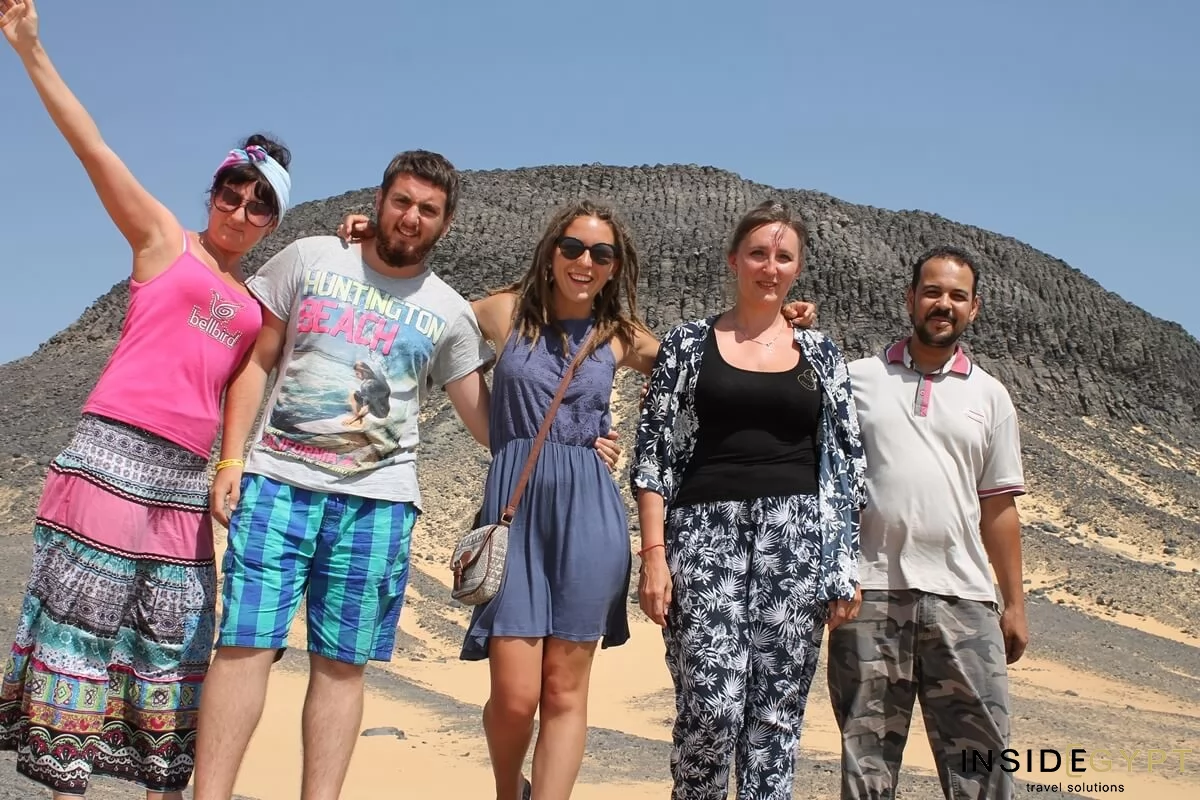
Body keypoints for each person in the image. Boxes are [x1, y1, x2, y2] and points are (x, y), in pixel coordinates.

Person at [337, 202, 818, 800]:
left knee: (565, 692)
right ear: (551, 252)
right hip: (516, 511)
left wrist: (775, 318)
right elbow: (424, 309)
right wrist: (375, 248)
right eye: (573, 247)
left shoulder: (619, 334)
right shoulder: (503, 312)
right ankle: (509, 788)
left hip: (590, 514)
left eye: (601, 253)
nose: (585, 261)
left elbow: (711, 362)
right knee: (515, 697)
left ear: (615, 267)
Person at [0, 2, 292, 798]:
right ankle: (61, 784)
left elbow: (253, 381)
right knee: (82, 634)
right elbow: (92, 147)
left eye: (258, 203)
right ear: (213, 192)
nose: (239, 210)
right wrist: (30, 50)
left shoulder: (256, 303)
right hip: (110, 455)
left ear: (272, 221)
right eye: (230, 192)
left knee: (173, 642)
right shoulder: (164, 240)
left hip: (184, 483)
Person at [631, 199, 867, 800]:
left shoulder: (821, 354)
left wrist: (844, 564)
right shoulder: (687, 344)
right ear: (734, 260)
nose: (770, 266)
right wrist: (653, 556)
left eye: (783, 257)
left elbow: (846, 462)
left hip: (797, 541)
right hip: (703, 538)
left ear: (797, 268)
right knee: (710, 707)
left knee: (775, 720)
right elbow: (653, 455)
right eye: (758, 253)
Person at [827, 246, 1029, 800]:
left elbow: (999, 507)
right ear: (910, 298)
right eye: (933, 292)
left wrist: (1014, 603)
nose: (944, 304)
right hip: (870, 597)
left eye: (958, 296)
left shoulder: (991, 396)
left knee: (983, 765)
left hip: (965, 600)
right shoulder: (856, 379)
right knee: (866, 768)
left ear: (974, 308)